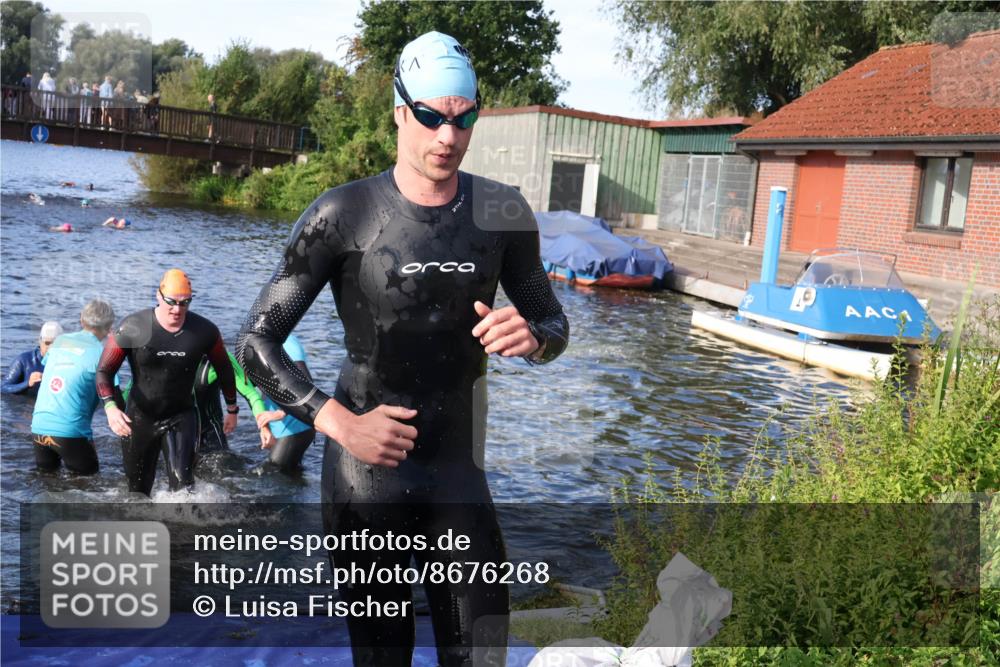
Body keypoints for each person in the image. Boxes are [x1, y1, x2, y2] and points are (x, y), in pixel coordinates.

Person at [236, 31, 568, 666]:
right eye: (431, 117)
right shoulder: (344, 213)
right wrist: (339, 425)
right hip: (368, 478)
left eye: (464, 118)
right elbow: (256, 341)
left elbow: (553, 323)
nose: (448, 136)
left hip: (459, 475)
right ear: (399, 111)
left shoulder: (503, 211)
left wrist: (534, 337)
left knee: (482, 655)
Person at [96, 269, 239, 495]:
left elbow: (224, 368)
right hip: (140, 417)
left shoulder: (204, 331)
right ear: (158, 296)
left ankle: (181, 530)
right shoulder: (134, 326)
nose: (177, 309)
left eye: (185, 303)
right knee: (138, 492)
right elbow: (104, 370)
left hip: (181, 416)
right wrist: (111, 408)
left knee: (183, 488)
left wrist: (232, 408)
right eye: (171, 302)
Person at [30, 302, 116, 474]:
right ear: (108, 328)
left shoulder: (60, 341)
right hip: (71, 432)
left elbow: (49, 368)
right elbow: (115, 396)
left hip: (39, 427)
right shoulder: (102, 353)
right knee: (90, 485)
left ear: (81, 320)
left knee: (47, 483)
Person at [253, 334, 315, 473]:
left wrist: (280, 412)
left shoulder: (287, 343)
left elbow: (307, 384)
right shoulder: (262, 341)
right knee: (291, 476)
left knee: (274, 474)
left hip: (295, 427)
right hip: (279, 428)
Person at [192, 349, 272, 453]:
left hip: (211, 432)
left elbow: (251, 395)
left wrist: (264, 426)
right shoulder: (169, 355)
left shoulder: (221, 358)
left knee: (221, 465)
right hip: (180, 433)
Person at [2, 321, 63, 396]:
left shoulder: (68, 363)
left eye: (55, 344)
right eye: (47, 343)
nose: (50, 348)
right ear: (40, 341)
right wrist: (28, 383)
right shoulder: (24, 361)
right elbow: (3, 388)